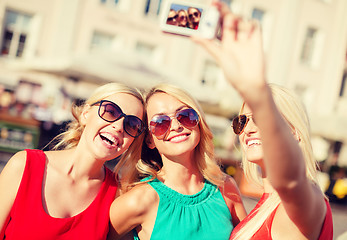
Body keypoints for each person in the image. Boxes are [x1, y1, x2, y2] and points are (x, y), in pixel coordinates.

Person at [194, 1, 333, 239]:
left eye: (261, 118)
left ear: (295, 132)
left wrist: (257, 93)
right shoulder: (266, 202)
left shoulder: (304, 196)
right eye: (242, 121)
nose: (247, 130)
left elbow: (290, 180)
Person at [0, 82, 146, 240]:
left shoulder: (119, 195)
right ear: (85, 114)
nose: (118, 127)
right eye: (110, 111)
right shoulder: (24, 166)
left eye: (132, 125)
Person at [108, 84, 247, 240]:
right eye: (160, 122)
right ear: (149, 139)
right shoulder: (139, 200)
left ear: (199, 123)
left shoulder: (225, 187)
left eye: (185, 116)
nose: (176, 126)